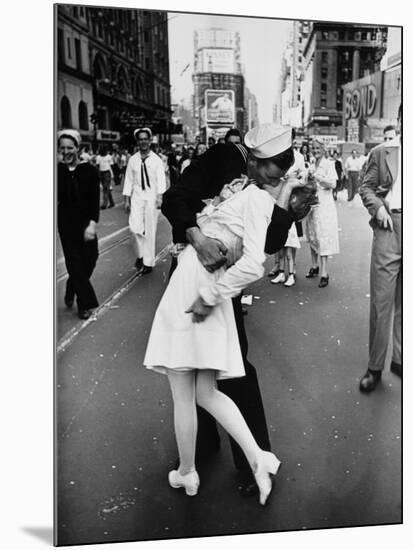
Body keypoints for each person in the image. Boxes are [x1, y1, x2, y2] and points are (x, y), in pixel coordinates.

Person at [145, 124, 307, 504]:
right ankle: (200, 453)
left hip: (220, 282)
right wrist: (197, 237)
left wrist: (284, 205)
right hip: (196, 266)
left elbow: (266, 247)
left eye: (283, 164)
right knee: (195, 378)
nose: (277, 171)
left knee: (229, 370)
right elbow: (175, 199)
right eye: (271, 164)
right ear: (251, 156)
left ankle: (246, 460)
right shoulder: (219, 157)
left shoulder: (279, 186)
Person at [358, 106, 402, 392]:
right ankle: (375, 367)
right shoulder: (382, 152)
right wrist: (378, 209)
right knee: (382, 301)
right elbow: (366, 187)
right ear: (399, 120)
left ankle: (400, 359)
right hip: (391, 225)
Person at [57, 129, 100, 320]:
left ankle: (72, 285)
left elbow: (94, 200)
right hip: (66, 224)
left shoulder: (89, 171)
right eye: (62, 148)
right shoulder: (56, 171)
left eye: (70, 148)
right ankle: (85, 305)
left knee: (91, 258)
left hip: (85, 222)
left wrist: (92, 225)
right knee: (74, 262)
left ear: (78, 148)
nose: (66, 152)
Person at [123, 127, 166, 275]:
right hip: (137, 198)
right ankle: (140, 255)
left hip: (151, 198)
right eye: (140, 139)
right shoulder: (133, 160)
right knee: (134, 228)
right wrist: (126, 200)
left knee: (150, 230)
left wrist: (160, 197)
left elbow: (161, 180)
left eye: (145, 139)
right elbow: (128, 180)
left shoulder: (157, 160)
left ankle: (148, 262)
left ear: (149, 141)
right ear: (137, 141)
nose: (143, 142)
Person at [304, 139, 339, 288]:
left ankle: (324, 273)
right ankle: (314, 265)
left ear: (323, 150)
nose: (316, 150)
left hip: (324, 205)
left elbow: (333, 184)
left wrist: (318, 177)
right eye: (314, 148)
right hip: (312, 204)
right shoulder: (312, 164)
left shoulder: (329, 164)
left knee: (323, 236)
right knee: (312, 235)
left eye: (318, 148)